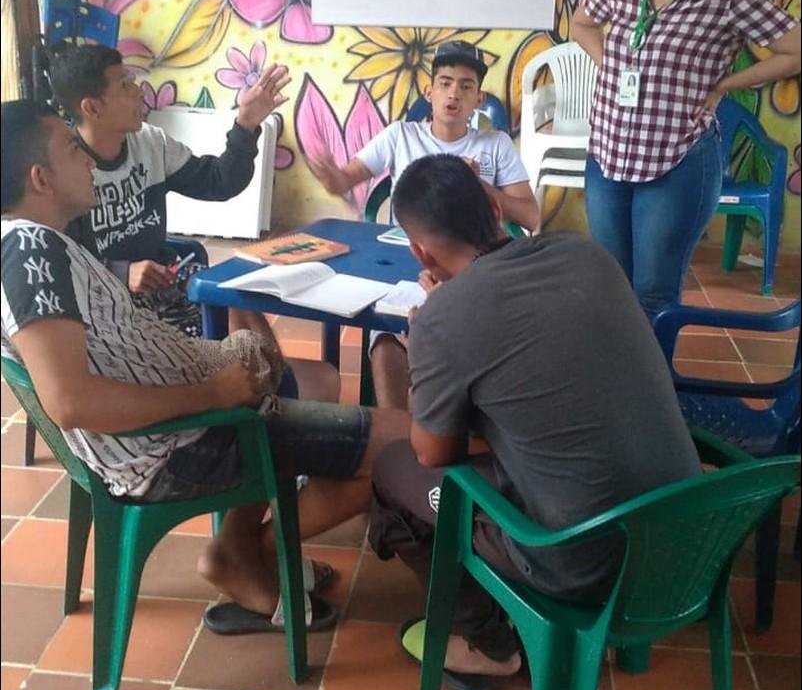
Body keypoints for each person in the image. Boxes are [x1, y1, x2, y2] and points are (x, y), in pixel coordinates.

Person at [0, 101, 409, 632]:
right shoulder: (30, 254)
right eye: (71, 149)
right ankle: (245, 556)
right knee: (402, 449)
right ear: (40, 179)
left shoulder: (42, 244)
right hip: (178, 446)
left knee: (270, 365)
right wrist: (213, 395)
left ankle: (243, 551)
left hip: (192, 423)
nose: (87, 159)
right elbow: (70, 402)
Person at [369, 155, 702, 690]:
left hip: (583, 565)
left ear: (420, 252)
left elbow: (434, 454)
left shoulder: (441, 319)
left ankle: (485, 644)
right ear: (497, 208)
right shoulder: (585, 252)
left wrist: (435, 328)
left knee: (393, 470)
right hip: (687, 543)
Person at [571, 0, 801, 321]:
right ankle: (616, 388)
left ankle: (656, 390)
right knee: (611, 287)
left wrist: (723, 85)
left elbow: (792, 51)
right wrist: (613, 65)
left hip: (677, 159)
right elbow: (581, 24)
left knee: (654, 294)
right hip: (609, 154)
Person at [47, 41, 336, 401]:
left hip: (163, 289)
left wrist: (246, 125)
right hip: (112, 311)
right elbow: (60, 261)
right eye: (124, 84)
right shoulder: (68, 171)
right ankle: (260, 402)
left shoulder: (149, 142)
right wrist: (122, 271)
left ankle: (278, 396)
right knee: (236, 353)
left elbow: (218, 182)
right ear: (92, 108)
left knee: (237, 305)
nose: (139, 91)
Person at [309, 39, 541, 407]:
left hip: (472, 271)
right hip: (408, 263)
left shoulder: (495, 144)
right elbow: (343, 180)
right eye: (446, 83)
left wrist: (478, 184)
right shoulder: (401, 135)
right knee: (385, 343)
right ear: (429, 92)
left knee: (465, 339)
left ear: (478, 100)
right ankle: (394, 433)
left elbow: (531, 215)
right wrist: (329, 176)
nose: (454, 94)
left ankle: (450, 425)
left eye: (466, 86)